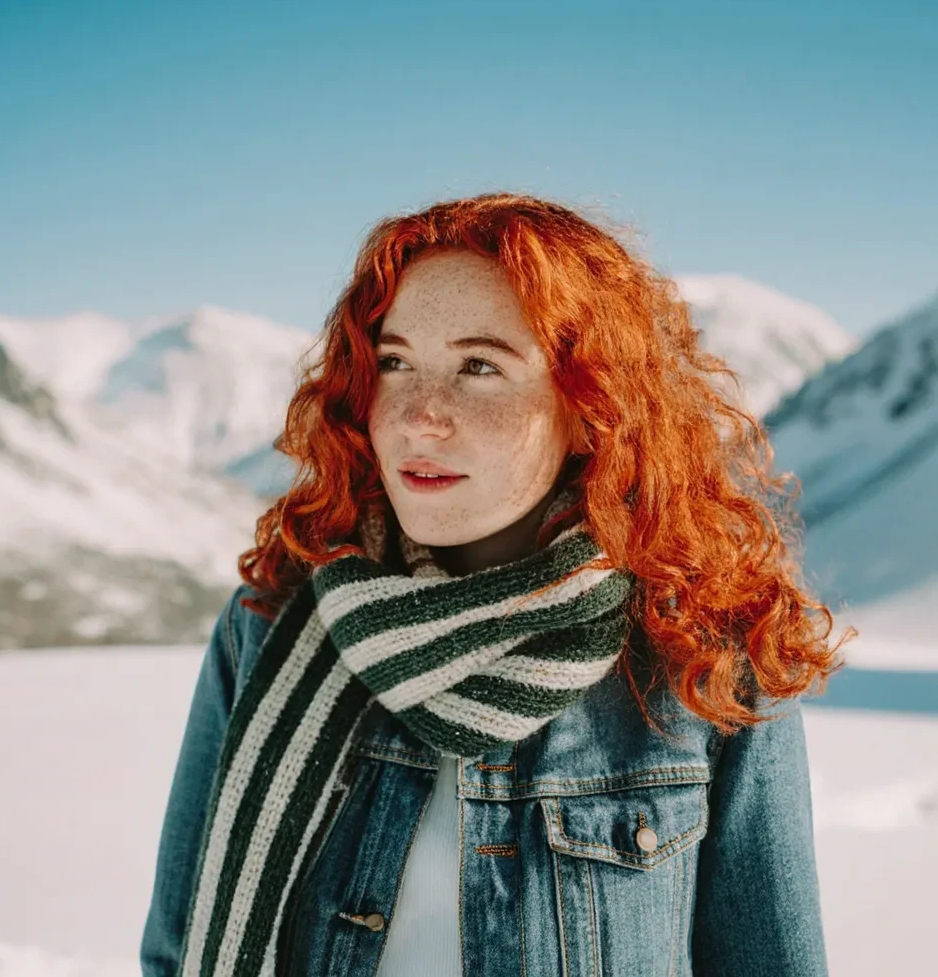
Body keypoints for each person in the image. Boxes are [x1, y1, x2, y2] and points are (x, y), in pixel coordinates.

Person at [140, 193, 855, 976]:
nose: (419, 415)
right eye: (395, 361)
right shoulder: (269, 625)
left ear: (592, 409)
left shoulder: (709, 656)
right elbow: (179, 955)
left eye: (479, 367)